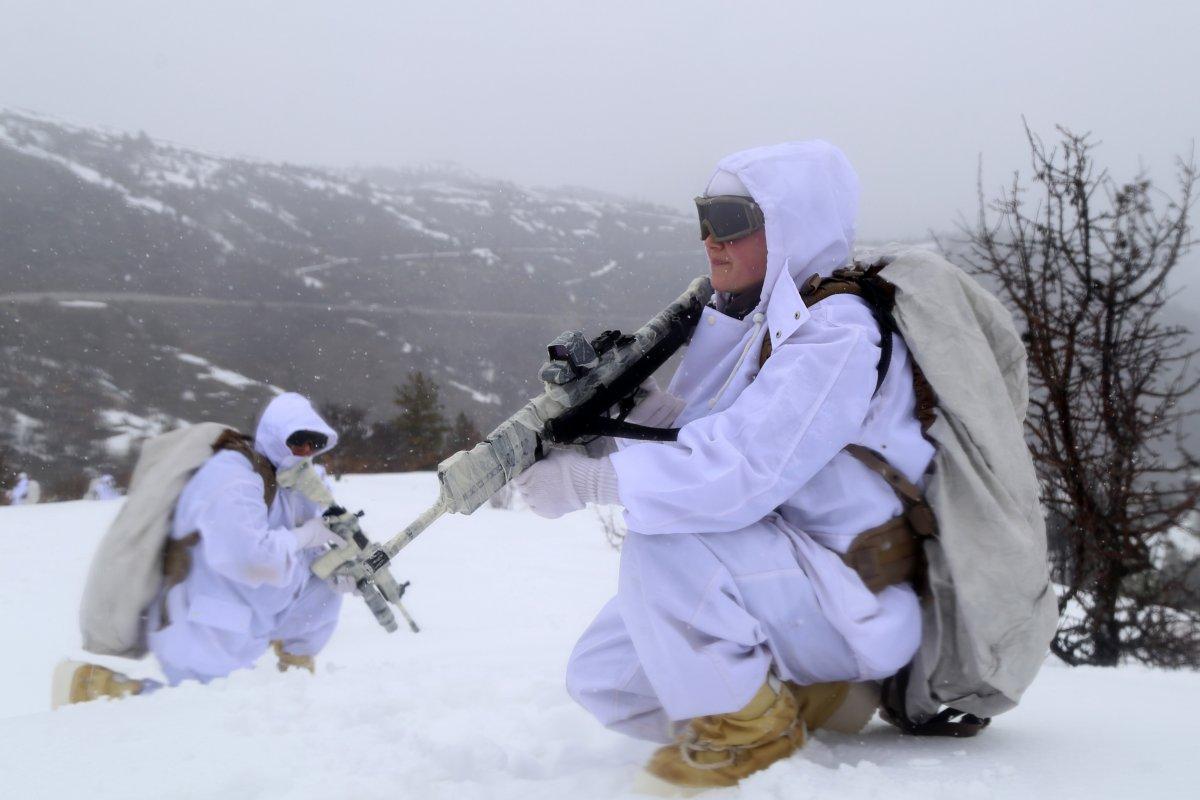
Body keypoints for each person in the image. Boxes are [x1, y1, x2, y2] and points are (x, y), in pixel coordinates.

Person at [515, 141, 933, 789]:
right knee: (607, 678)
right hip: (786, 574)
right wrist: (642, 412)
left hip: (848, 585)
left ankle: (749, 729)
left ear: (793, 222)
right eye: (705, 218)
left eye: (735, 219)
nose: (713, 240)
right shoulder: (771, 319)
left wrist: (582, 482)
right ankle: (814, 698)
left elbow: (739, 472)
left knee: (660, 540)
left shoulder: (839, 331)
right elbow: (714, 439)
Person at [55, 393, 347, 705]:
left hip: (252, 610)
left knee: (323, 591)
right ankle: (102, 687)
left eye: (313, 444)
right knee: (202, 710)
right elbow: (250, 559)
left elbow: (299, 549)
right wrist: (307, 535)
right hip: (205, 619)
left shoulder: (295, 484)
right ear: (275, 434)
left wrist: (338, 567)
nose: (304, 451)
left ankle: (293, 682)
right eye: (297, 441)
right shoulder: (232, 473)